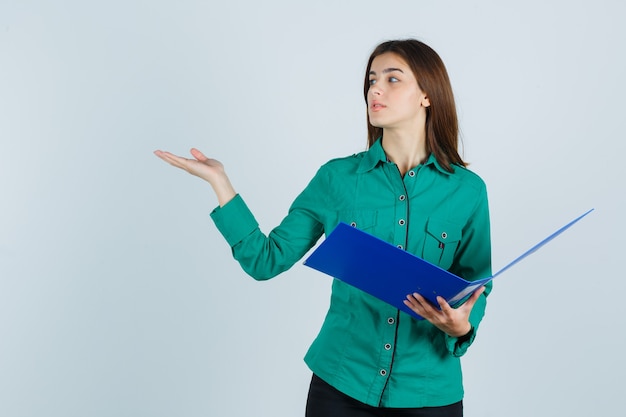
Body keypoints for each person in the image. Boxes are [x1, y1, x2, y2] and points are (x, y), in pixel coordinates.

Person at [155, 39, 492, 417]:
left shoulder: (467, 190)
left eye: (392, 79)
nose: (375, 90)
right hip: (341, 384)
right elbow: (266, 260)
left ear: (427, 96)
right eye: (371, 79)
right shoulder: (336, 179)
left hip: (429, 392)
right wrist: (220, 182)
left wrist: (461, 326)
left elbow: (477, 283)